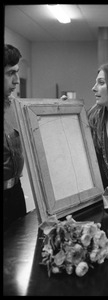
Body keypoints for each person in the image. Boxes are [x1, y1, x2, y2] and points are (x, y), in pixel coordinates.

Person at [4, 44, 27, 231]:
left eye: (17, 72)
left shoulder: (15, 107)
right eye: (10, 73)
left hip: (16, 193)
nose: (17, 80)